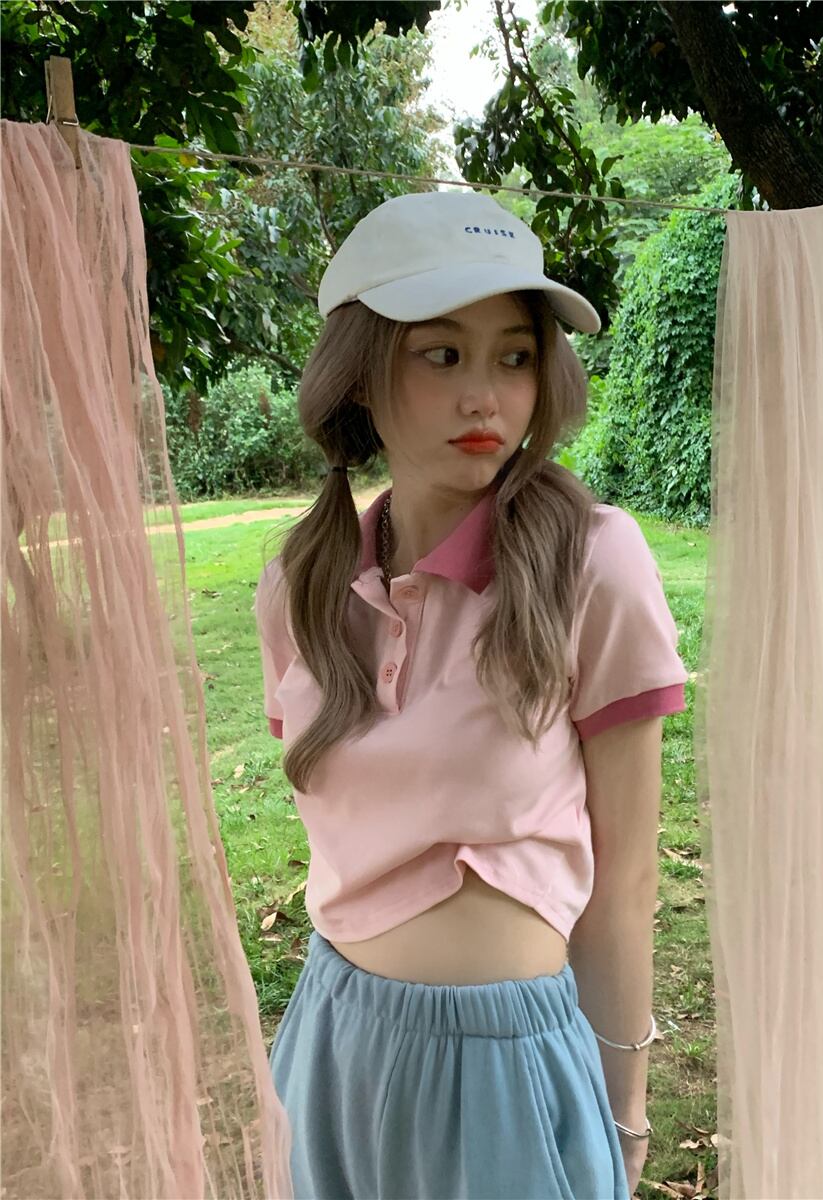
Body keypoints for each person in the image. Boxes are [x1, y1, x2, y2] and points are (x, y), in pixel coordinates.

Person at [253, 190, 689, 1199]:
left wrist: (623, 1105)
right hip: (333, 1047)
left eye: (516, 355)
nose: (486, 396)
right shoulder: (299, 585)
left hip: (508, 1072)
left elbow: (625, 882)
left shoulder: (593, 561)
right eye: (442, 355)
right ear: (360, 375)